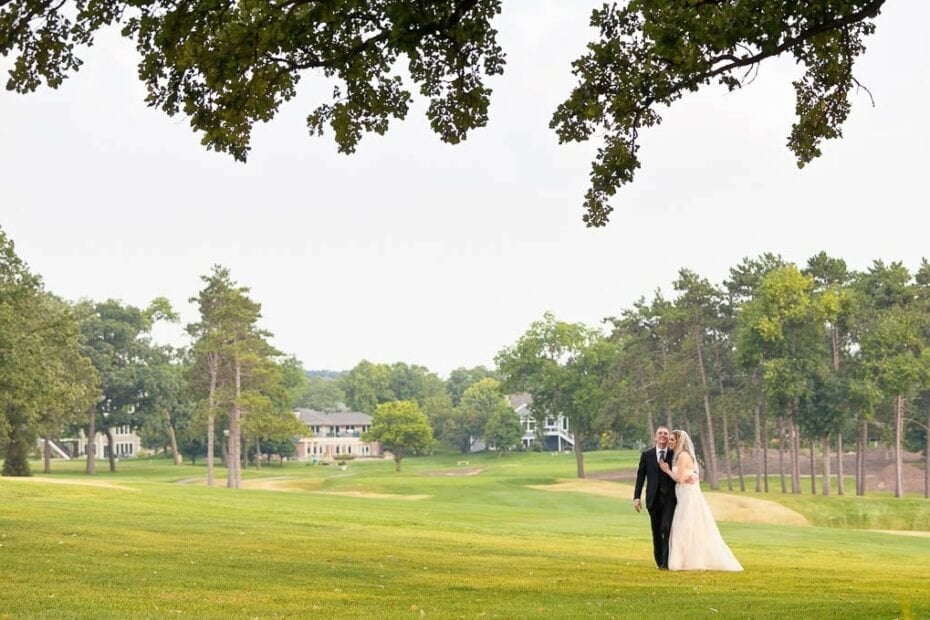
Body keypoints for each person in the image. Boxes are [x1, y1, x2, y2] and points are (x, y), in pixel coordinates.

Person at [659, 429, 743, 572]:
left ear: (679, 441)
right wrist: (689, 476)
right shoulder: (681, 455)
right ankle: (685, 560)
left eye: (672, 440)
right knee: (686, 525)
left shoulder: (683, 456)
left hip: (687, 495)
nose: (670, 442)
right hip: (684, 494)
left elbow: (679, 478)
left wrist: (666, 470)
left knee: (685, 525)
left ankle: (684, 561)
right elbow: (691, 473)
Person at [633, 426, 677, 569]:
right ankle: (659, 561)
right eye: (660, 433)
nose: (663, 435)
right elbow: (640, 476)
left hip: (670, 498)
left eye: (665, 433)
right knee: (656, 531)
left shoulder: (674, 454)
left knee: (666, 528)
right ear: (655, 437)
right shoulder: (647, 455)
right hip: (653, 499)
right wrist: (637, 497)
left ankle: (666, 562)